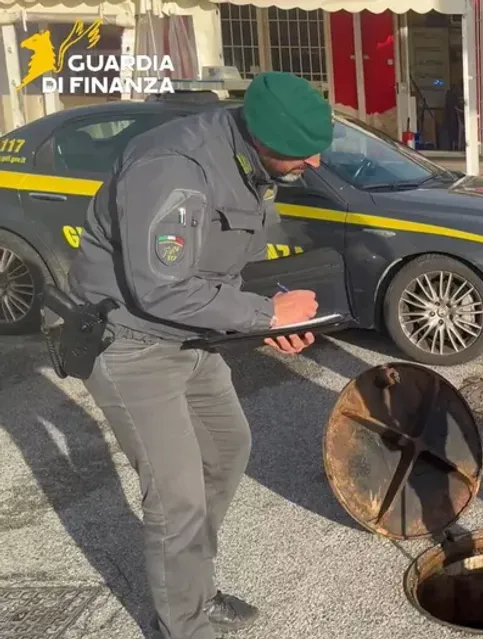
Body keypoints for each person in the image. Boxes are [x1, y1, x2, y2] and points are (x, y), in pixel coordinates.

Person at [66, 71, 333, 639]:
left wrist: (271, 313)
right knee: (177, 495)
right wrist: (265, 316)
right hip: (131, 343)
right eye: (301, 153)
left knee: (226, 450)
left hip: (190, 337)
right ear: (261, 137)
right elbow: (160, 288)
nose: (314, 163)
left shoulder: (249, 161)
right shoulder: (173, 168)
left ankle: (194, 589)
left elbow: (217, 266)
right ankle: (183, 625)